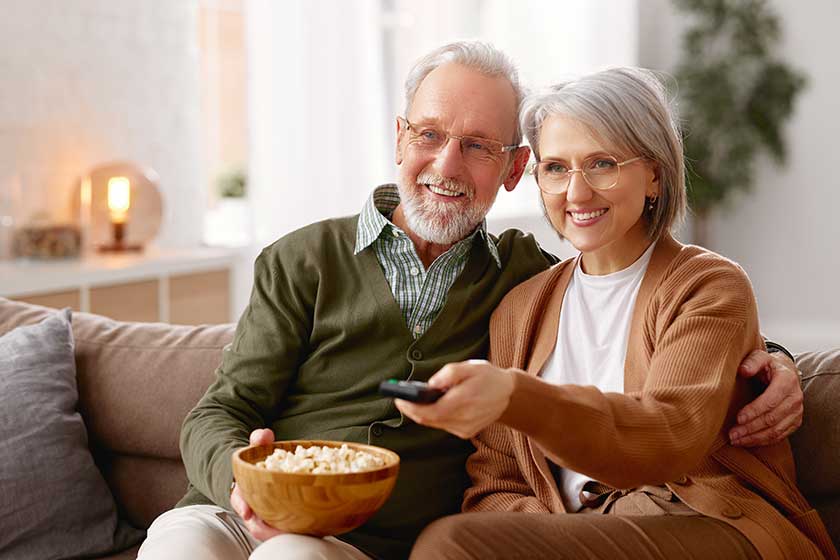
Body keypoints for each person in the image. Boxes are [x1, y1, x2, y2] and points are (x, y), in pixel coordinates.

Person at [137, 43, 806, 560]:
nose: (448, 165)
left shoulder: (515, 277)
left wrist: (774, 363)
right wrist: (247, 484)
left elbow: (676, 371)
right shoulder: (310, 262)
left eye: (479, 147)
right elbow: (222, 409)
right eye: (429, 135)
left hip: (354, 543)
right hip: (238, 507)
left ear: (509, 168)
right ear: (401, 137)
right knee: (181, 547)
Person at [400, 67, 837, 560]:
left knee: (450, 545)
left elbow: (666, 437)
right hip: (585, 537)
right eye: (556, 168)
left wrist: (518, 397)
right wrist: (554, 533)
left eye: (602, 163)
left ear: (653, 174)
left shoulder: (707, 285)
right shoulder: (520, 310)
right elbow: (493, 488)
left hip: (705, 522)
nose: (577, 192)